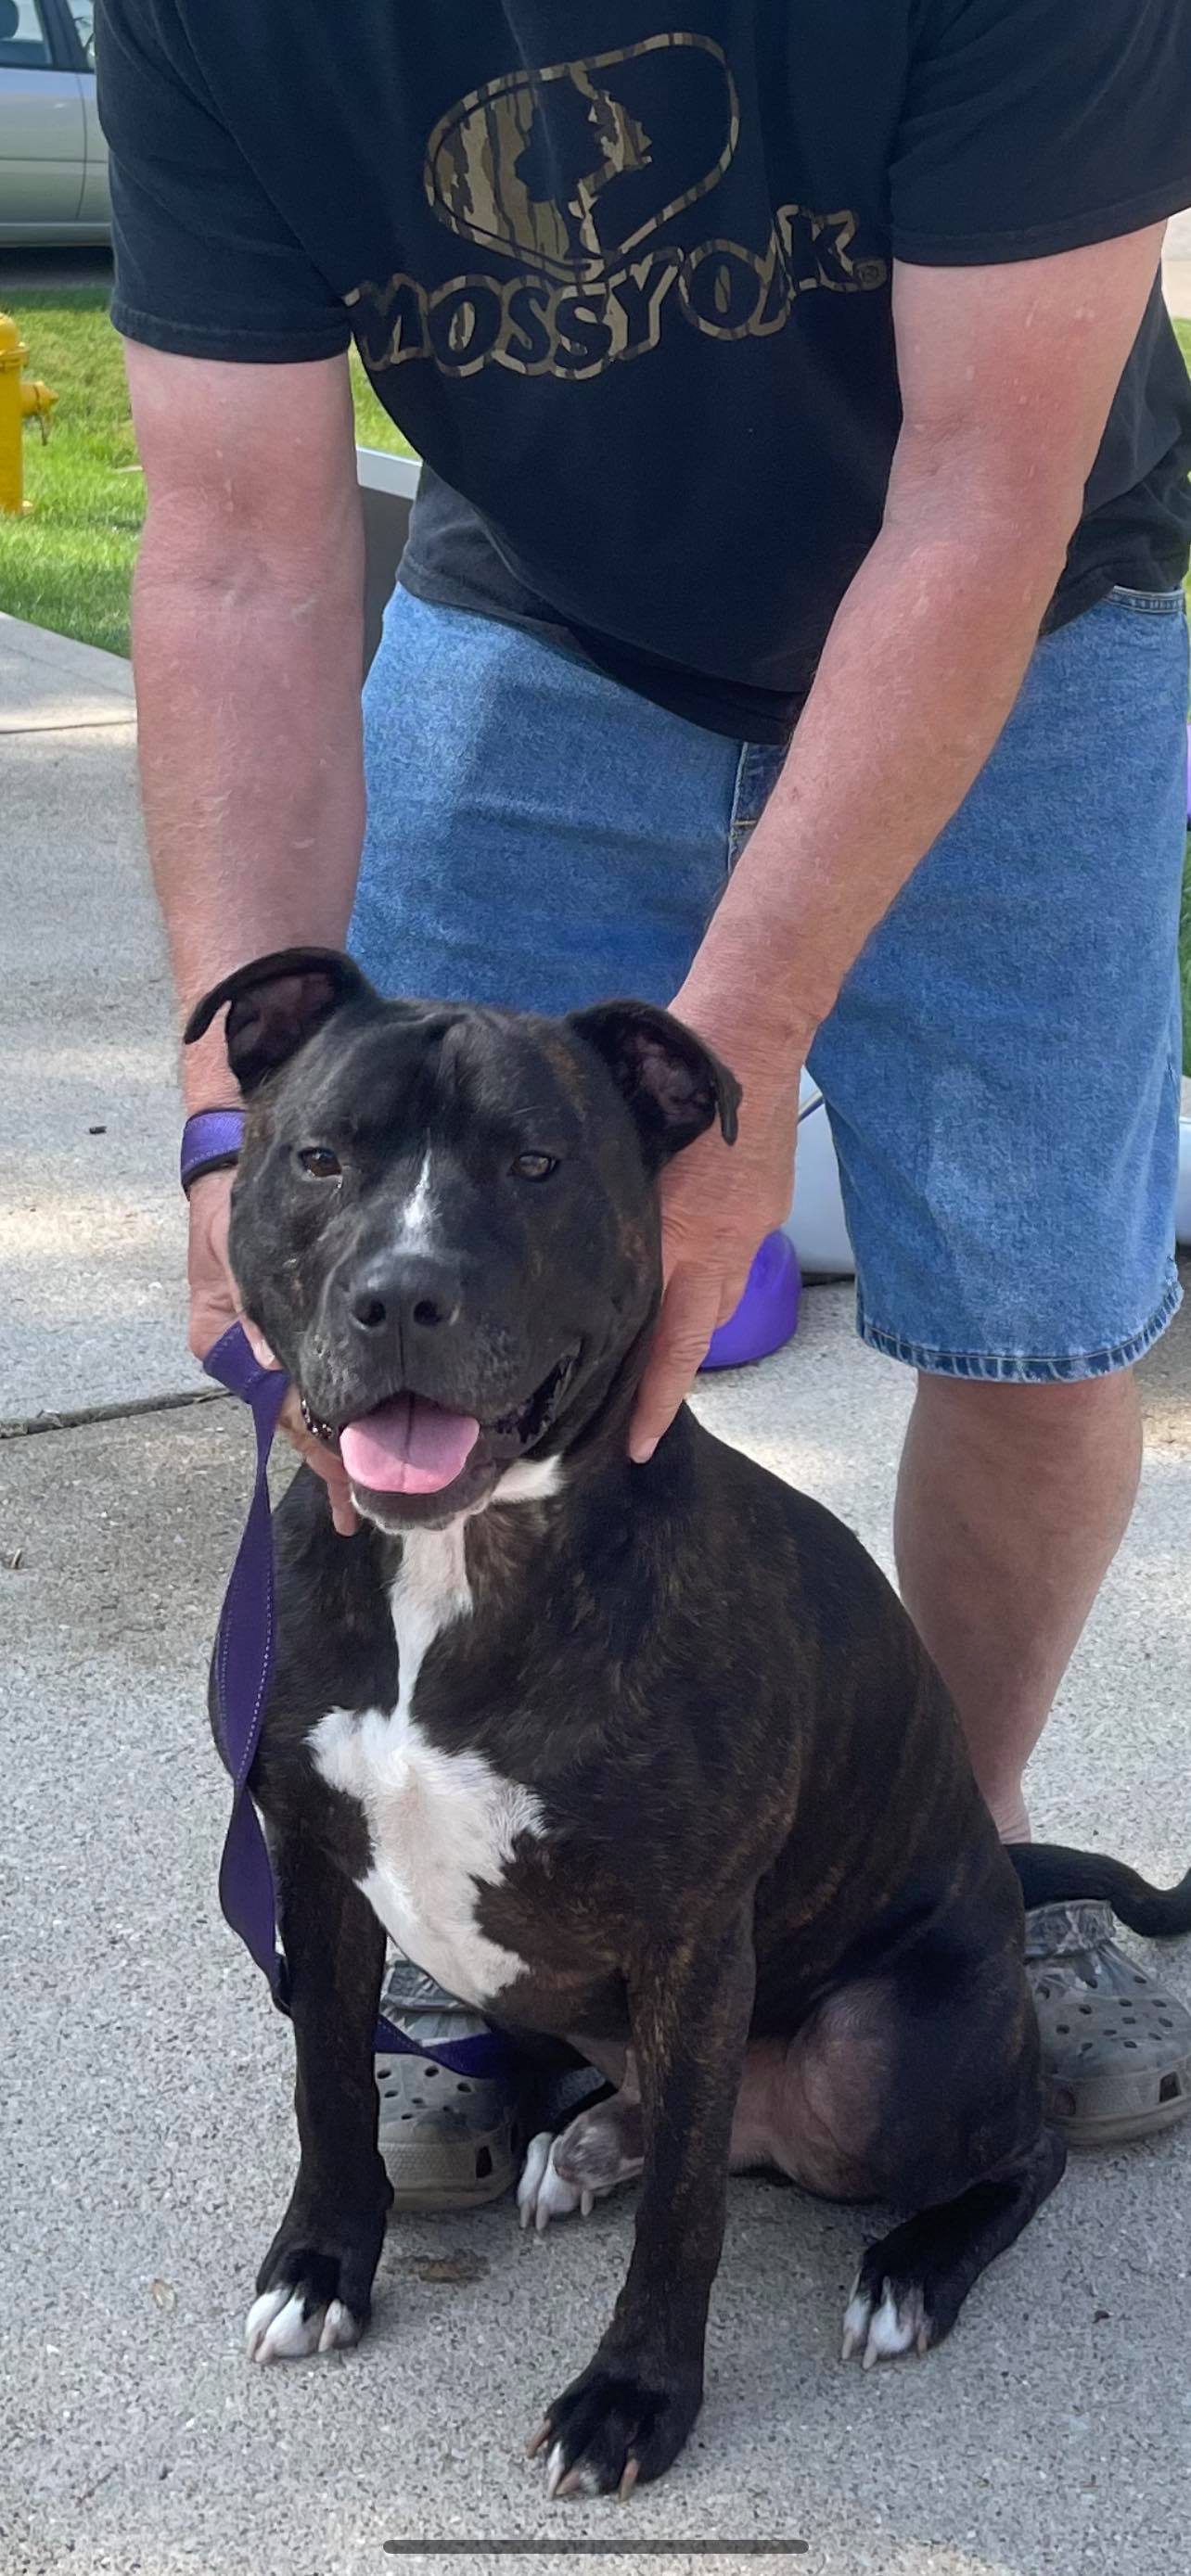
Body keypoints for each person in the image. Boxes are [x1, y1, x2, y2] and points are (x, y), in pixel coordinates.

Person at [97, 0, 1191, 2200]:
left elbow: (985, 486)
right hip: (547, 626)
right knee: (388, 1282)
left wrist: (740, 1056)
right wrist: (235, 1110)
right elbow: (231, 545)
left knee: (1036, 1318)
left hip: (1031, 605)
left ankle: (914, 1901)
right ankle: (484, 1951)